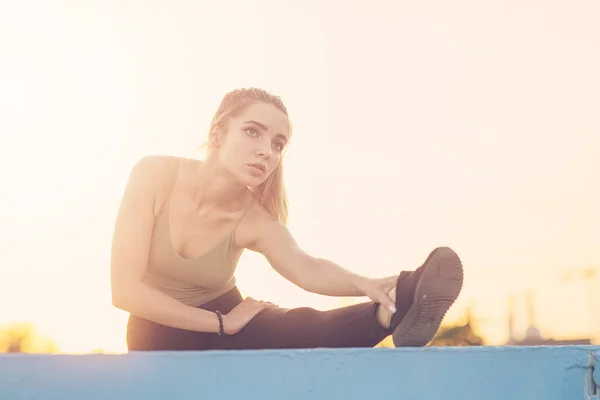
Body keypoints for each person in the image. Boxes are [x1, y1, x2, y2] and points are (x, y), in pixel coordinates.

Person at [110, 87, 464, 351]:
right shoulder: (154, 174)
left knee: (300, 326)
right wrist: (220, 323)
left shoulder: (254, 220)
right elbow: (125, 291)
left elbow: (306, 267)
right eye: (253, 131)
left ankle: (393, 310)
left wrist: (367, 284)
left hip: (229, 316)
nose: (267, 150)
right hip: (155, 330)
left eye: (278, 144)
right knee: (158, 334)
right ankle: (391, 310)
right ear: (218, 132)